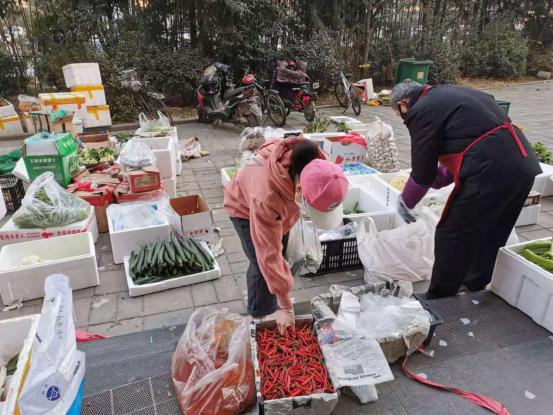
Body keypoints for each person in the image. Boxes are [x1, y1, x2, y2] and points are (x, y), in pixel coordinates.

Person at [391, 79, 541, 299]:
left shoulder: (420, 109)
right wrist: (438, 178)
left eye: (399, 113)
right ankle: (475, 284)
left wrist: (406, 201)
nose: (403, 118)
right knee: (494, 229)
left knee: (451, 233)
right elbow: (470, 141)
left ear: (404, 104)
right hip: (522, 162)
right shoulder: (450, 95)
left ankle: (441, 296)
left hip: (491, 168)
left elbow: (422, 172)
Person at [224, 138, 348, 333]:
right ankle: (261, 316)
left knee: (277, 259)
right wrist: (286, 306)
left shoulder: (319, 166)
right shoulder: (267, 197)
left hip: (280, 204)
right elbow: (269, 254)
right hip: (244, 208)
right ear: (299, 189)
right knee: (261, 262)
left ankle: (273, 299)